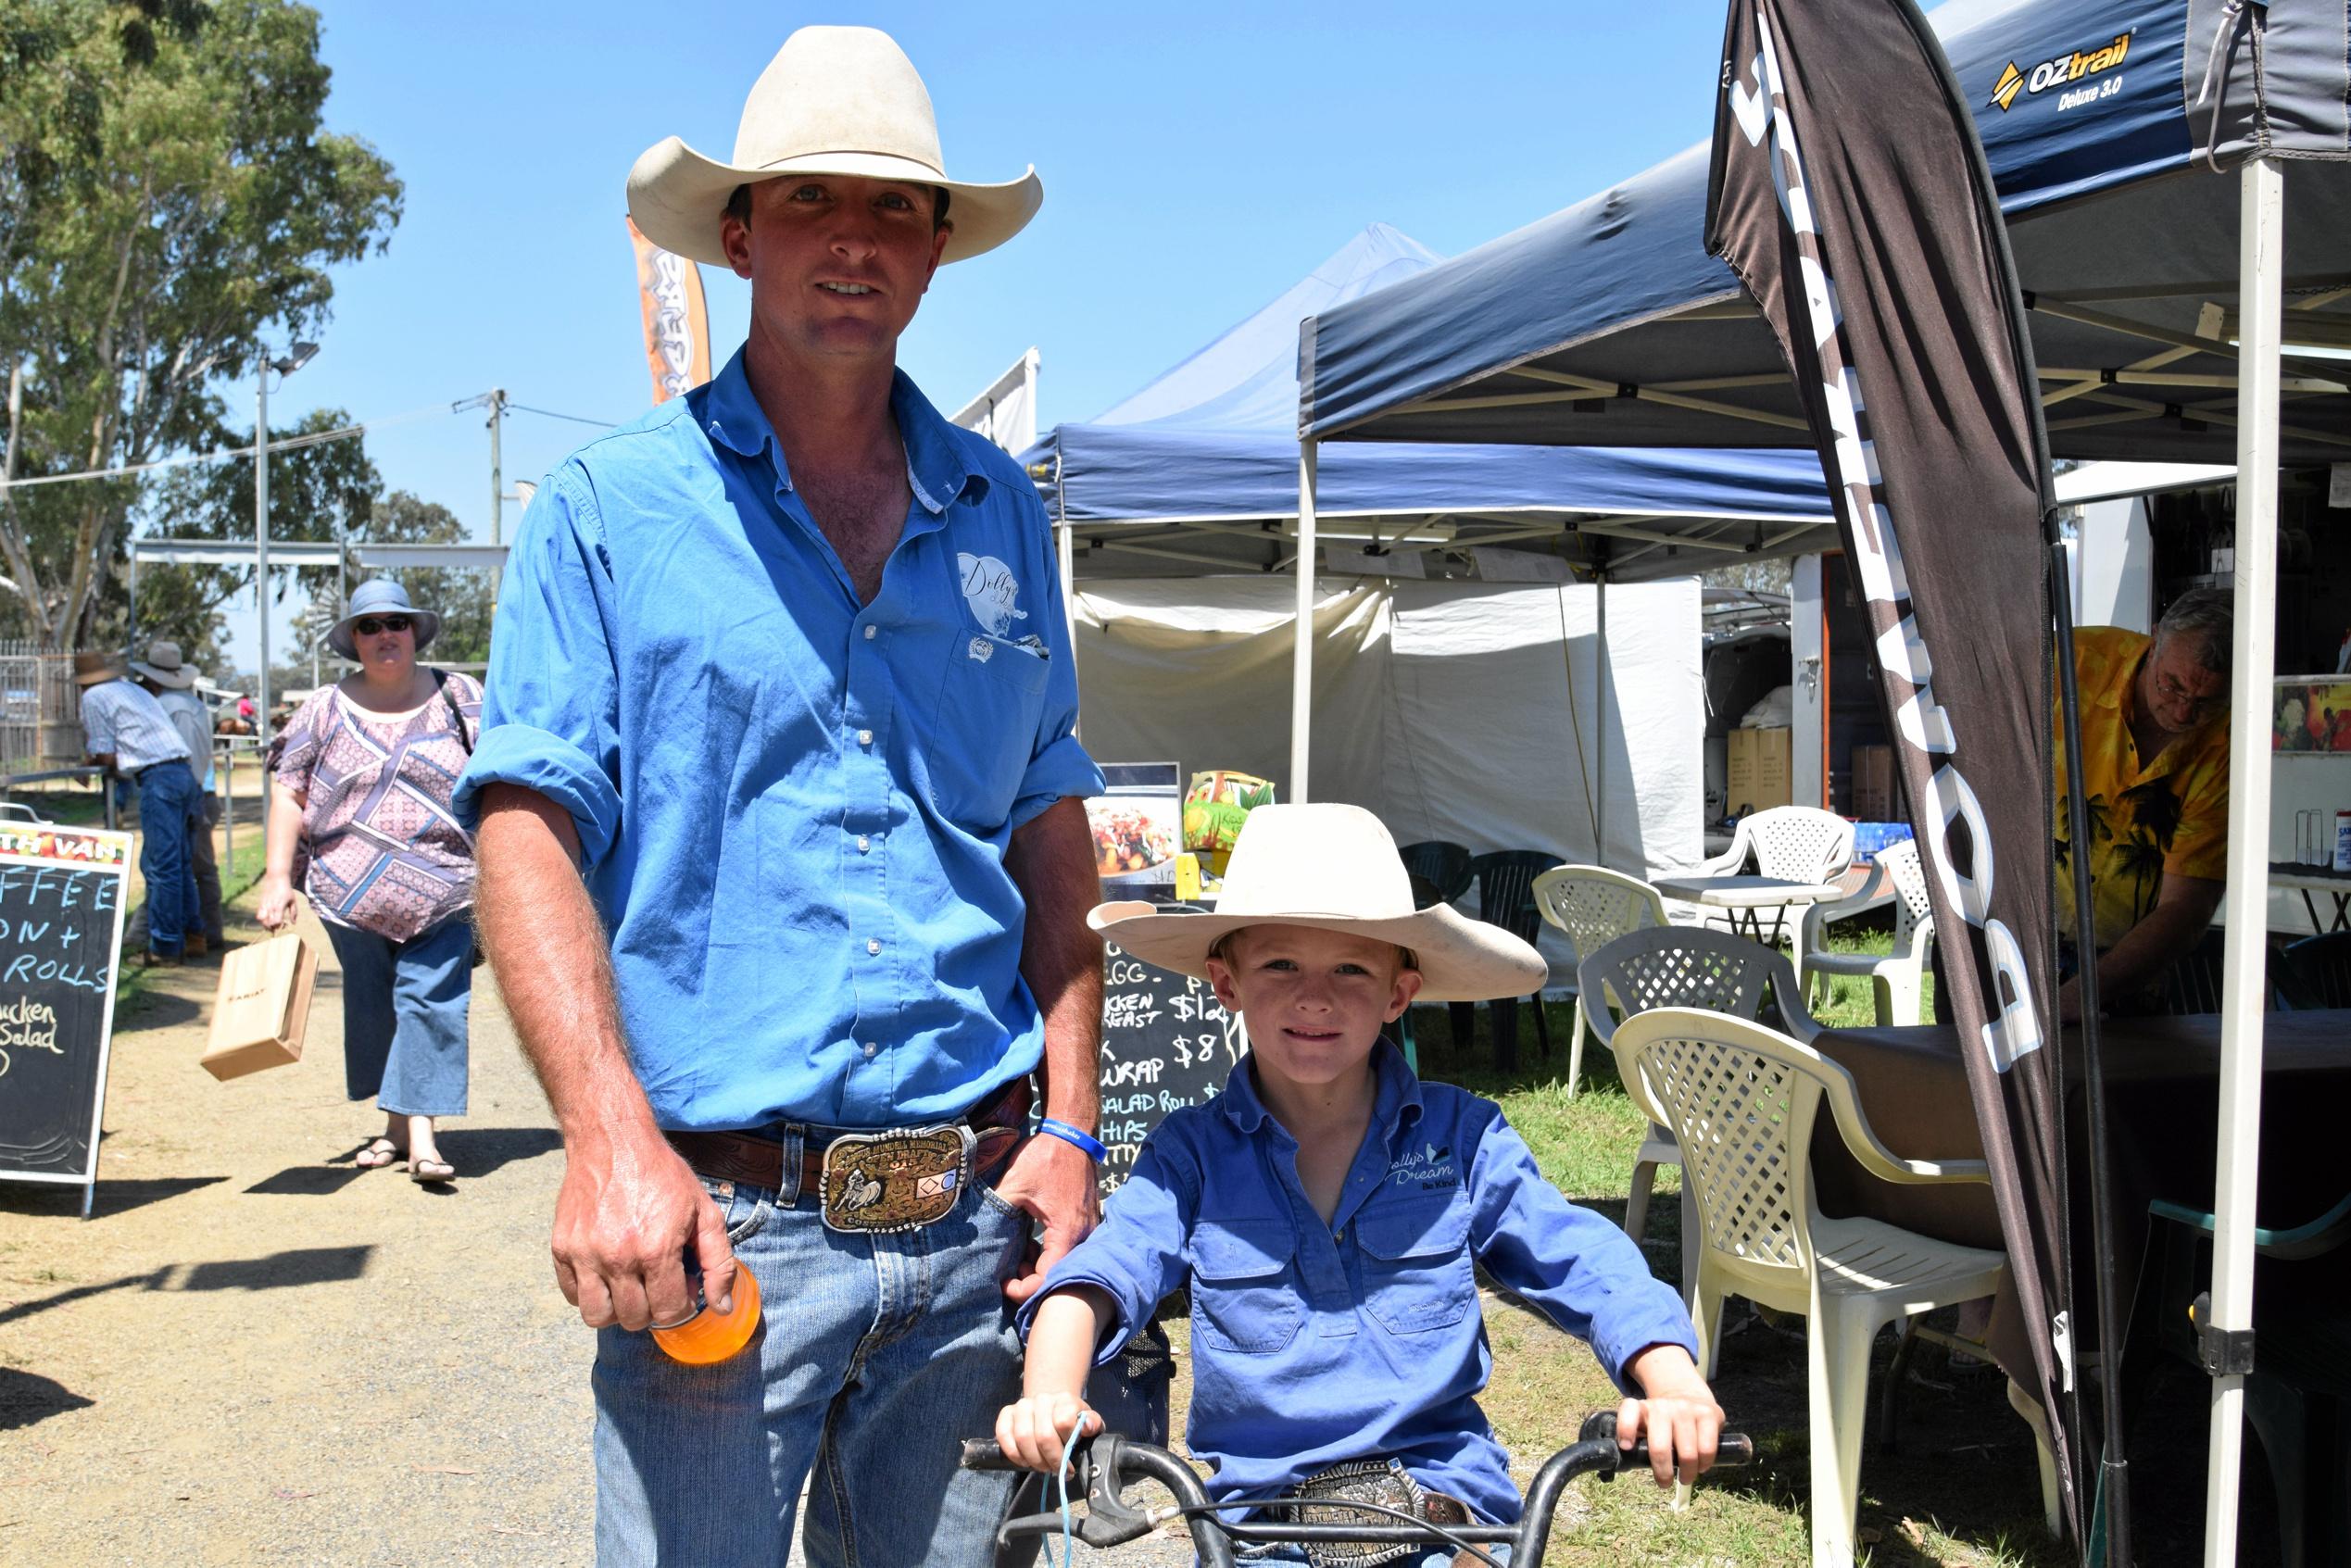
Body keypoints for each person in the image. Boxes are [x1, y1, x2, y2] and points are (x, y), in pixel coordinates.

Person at [452, 26, 1103, 1567]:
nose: (853, 242)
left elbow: (1048, 825)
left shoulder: (1000, 510)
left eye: (893, 210)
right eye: (810, 200)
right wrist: (605, 1135)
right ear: (737, 232)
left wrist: (1074, 1127)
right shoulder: (611, 511)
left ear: (940, 250)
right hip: (718, 1228)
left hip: (978, 1228)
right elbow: (524, 825)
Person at [997, 805, 1725, 1562]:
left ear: (1397, 993)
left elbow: (1578, 1254)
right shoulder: (1192, 1156)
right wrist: (1049, 1393)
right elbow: (1098, 1274)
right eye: (1280, 964)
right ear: (1226, 982)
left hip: (1447, 1515)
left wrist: (1669, 1378)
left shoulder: (1461, 1139)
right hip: (1262, 1529)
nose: (1315, 996)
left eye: (1350, 967)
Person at [258, 581, 480, 1184]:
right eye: (370, 625)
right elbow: (289, 791)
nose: (386, 634)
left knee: (429, 1001)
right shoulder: (323, 708)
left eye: (397, 622)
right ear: (354, 639)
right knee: (376, 1005)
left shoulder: (462, 697)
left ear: (415, 632)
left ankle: (423, 1139)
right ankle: (394, 1126)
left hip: (447, 890)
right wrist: (278, 876)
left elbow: (499, 775)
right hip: (346, 898)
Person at [2055, 587, 2232, 1020]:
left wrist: (2085, 993)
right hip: (2009, 941)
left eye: (2205, 702)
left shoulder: (2229, 746)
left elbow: (2186, 906)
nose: (2182, 712)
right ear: (2155, 641)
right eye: (2171, 686)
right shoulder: (2073, 660)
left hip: (2128, 971)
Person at [76, 650, 202, 966]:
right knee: (179, 863)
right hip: (183, 774)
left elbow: (105, 753)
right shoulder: (132, 689)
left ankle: (165, 947)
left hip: (158, 777)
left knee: (163, 867)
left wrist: (88, 762)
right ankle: (193, 934)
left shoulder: (93, 697)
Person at [132, 639, 225, 957]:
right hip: (196, 789)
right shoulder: (194, 705)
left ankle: (182, 937)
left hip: (183, 790)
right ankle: (198, 934)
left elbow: (179, 753)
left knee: (175, 867)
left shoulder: (170, 708)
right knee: (188, 866)